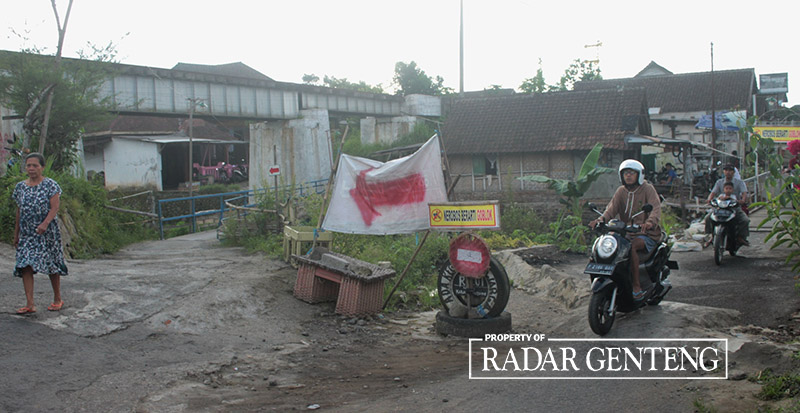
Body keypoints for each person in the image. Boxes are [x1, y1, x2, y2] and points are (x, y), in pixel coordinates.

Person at [590, 159, 662, 299]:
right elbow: (611, 210)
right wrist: (600, 220)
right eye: (625, 173)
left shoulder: (647, 189)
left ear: (639, 175)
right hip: (625, 232)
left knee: (631, 247)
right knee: (604, 244)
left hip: (645, 233)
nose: (628, 175)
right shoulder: (621, 191)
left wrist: (649, 223)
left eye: (631, 173)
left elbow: (655, 208)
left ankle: (636, 285)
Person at [13, 153, 68, 314]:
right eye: (28, 165)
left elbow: (54, 208)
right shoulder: (20, 187)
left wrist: (45, 224)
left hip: (47, 233)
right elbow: (19, 211)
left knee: (52, 264)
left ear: (42, 167)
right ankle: (30, 304)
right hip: (27, 234)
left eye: (35, 165)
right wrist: (16, 234)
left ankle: (57, 298)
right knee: (25, 265)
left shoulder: (51, 185)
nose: (31, 168)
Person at [706, 163, 749, 246]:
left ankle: (740, 237)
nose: (728, 172)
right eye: (726, 170)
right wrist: (709, 200)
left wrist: (743, 200)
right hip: (720, 207)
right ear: (723, 171)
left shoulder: (739, 182)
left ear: (733, 172)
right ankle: (711, 236)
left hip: (734, 207)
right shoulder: (719, 182)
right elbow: (713, 193)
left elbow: (744, 193)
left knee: (745, 220)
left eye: (730, 170)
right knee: (708, 218)